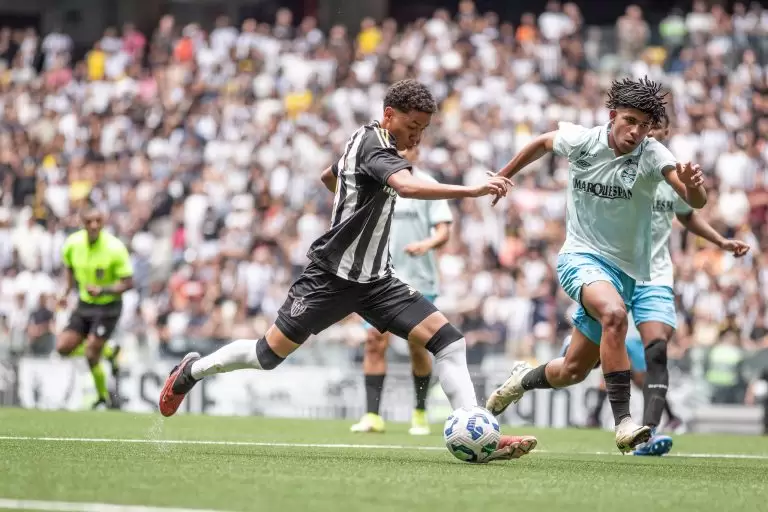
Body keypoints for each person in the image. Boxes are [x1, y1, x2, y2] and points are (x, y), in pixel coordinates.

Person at [159, 79, 537, 462]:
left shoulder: (369, 143)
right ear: (389, 115)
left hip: (377, 281)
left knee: (450, 342)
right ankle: (192, 371)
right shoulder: (376, 146)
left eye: (423, 129)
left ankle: (478, 432)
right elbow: (405, 188)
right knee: (267, 355)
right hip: (330, 280)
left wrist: (350, 199)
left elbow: (330, 176)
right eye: (412, 126)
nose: (418, 136)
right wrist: (472, 191)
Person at [485, 77, 708, 453]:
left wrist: (695, 187)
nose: (636, 132)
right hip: (580, 257)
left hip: (625, 274)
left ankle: (521, 379)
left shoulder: (654, 155)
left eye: (644, 125)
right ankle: (623, 422)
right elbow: (541, 142)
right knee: (615, 314)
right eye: (629, 121)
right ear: (612, 116)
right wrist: (505, 173)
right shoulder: (582, 140)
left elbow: (695, 202)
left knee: (572, 370)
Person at [565, 113, 750, 455]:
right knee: (581, 363)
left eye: (656, 132)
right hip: (615, 270)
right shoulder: (623, 167)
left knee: (657, 351)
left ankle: (645, 433)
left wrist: (720, 242)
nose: (648, 138)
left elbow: (688, 213)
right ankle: (579, 359)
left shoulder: (671, 174)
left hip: (656, 274)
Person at [347, 145, 453, 436]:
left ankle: (419, 412)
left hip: (419, 279)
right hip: (378, 277)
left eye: (412, 147)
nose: (407, 151)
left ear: (418, 152)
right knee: (373, 341)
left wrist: (427, 245)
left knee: (417, 346)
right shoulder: (377, 183)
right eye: (402, 147)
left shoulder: (429, 185)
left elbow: (444, 231)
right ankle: (372, 416)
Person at [56, 207, 134, 409]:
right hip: (84, 304)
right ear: (81, 222)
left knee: (91, 353)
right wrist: (66, 292)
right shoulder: (72, 244)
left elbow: (127, 283)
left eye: (98, 221)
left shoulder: (115, 247)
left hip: (108, 306)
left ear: (103, 222)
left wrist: (103, 289)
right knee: (63, 348)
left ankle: (103, 397)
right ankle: (109, 352)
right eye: (89, 221)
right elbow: (69, 267)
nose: (94, 225)